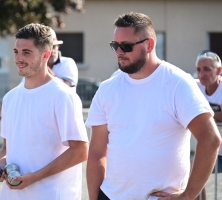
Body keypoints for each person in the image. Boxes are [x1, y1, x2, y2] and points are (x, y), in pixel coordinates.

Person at [85, 12, 221, 200]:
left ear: (149, 45)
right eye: (114, 46)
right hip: (110, 195)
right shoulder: (108, 89)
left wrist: (189, 195)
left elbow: (210, 139)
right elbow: (96, 154)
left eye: (125, 46)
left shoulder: (177, 83)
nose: (119, 52)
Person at [0, 23, 88, 200]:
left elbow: (80, 151)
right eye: (16, 52)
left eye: (26, 52)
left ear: (46, 55)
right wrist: (0, 166)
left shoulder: (63, 96)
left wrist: (34, 177)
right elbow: (6, 148)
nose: (18, 58)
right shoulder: (10, 98)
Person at [0, 28, 78, 125]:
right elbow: (20, 94)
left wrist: (43, 66)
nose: (52, 51)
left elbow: (68, 86)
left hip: (61, 117)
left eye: (54, 47)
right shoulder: (32, 69)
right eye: (16, 52)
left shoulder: (67, 63)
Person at [194, 50, 222, 200]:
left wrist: (202, 117)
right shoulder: (194, 87)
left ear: (219, 71)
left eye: (207, 69)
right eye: (198, 69)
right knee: (193, 172)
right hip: (208, 150)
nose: (201, 74)